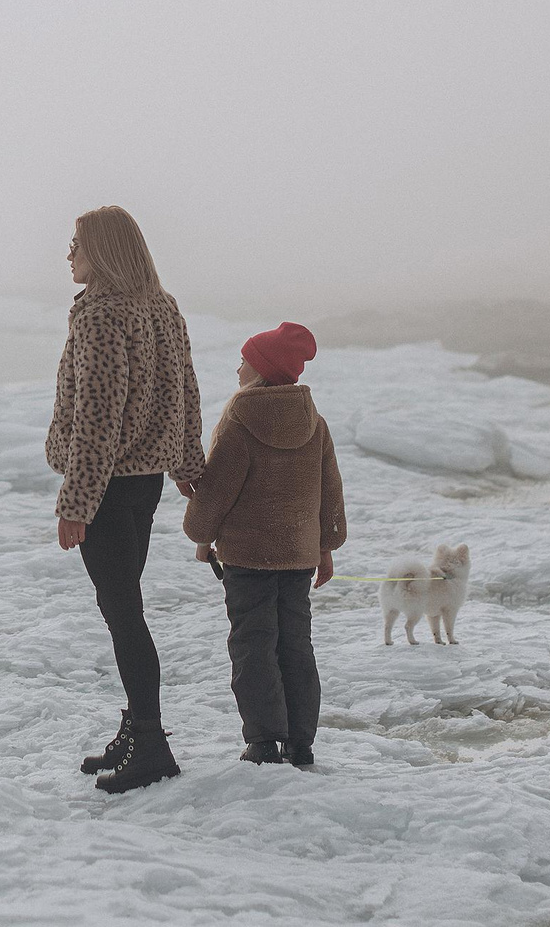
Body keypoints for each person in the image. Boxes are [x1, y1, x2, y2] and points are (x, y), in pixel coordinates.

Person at [46, 205, 204, 794]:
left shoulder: (103, 315)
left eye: (77, 244)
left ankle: (152, 742)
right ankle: (139, 731)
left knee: (124, 616)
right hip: (145, 483)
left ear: (105, 251)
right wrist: (189, 467)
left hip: (110, 487)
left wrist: (76, 502)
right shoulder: (160, 305)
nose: (69, 254)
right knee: (126, 609)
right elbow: (185, 389)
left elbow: (98, 415)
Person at [182, 321, 344, 768]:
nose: (237, 369)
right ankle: (301, 742)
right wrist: (325, 547)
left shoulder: (239, 418)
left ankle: (263, 741)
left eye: (243, 361)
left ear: (258, 370)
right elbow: (328, 488)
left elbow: (218, 490)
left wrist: (202, 533)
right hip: (298, 557)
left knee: (253, 643)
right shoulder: (315, 421)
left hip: (247, 557)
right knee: (296, 643)